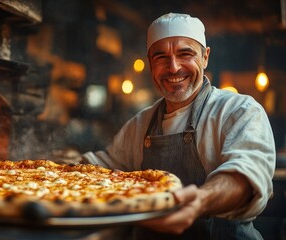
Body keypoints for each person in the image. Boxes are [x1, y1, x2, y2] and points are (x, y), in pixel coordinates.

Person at [80, 13, 276, 239]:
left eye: (185, 54)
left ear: (205, 57)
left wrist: (200, 202)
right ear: (150, 63)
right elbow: (101, 170)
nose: (173, 67)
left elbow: (246, 175)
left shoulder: (238, 110)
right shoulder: (140, 123)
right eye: (161, 57)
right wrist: (60, 165)